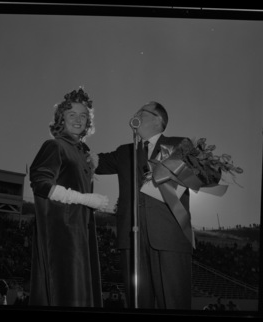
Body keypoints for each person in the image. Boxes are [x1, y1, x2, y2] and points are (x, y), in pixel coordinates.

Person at [94, 101, 221, 310]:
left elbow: (213, 175)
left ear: (158, 120)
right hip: (131, 239)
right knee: (137, 303)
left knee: (173, 304)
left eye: (140, 111)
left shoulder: (181, 144)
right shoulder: (124, 152)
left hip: (170, 236)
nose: (134, 113)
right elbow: (92, 162)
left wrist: (188, 172)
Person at [29, 87, 109, 307]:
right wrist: (85, 199)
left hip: (82, 232)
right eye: (71, 114)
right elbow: (41, 183)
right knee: (66, 293)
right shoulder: (54, 145)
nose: (78, 119)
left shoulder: (82, 152)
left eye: (83, 115)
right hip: (62, 232)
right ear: (60, 119)